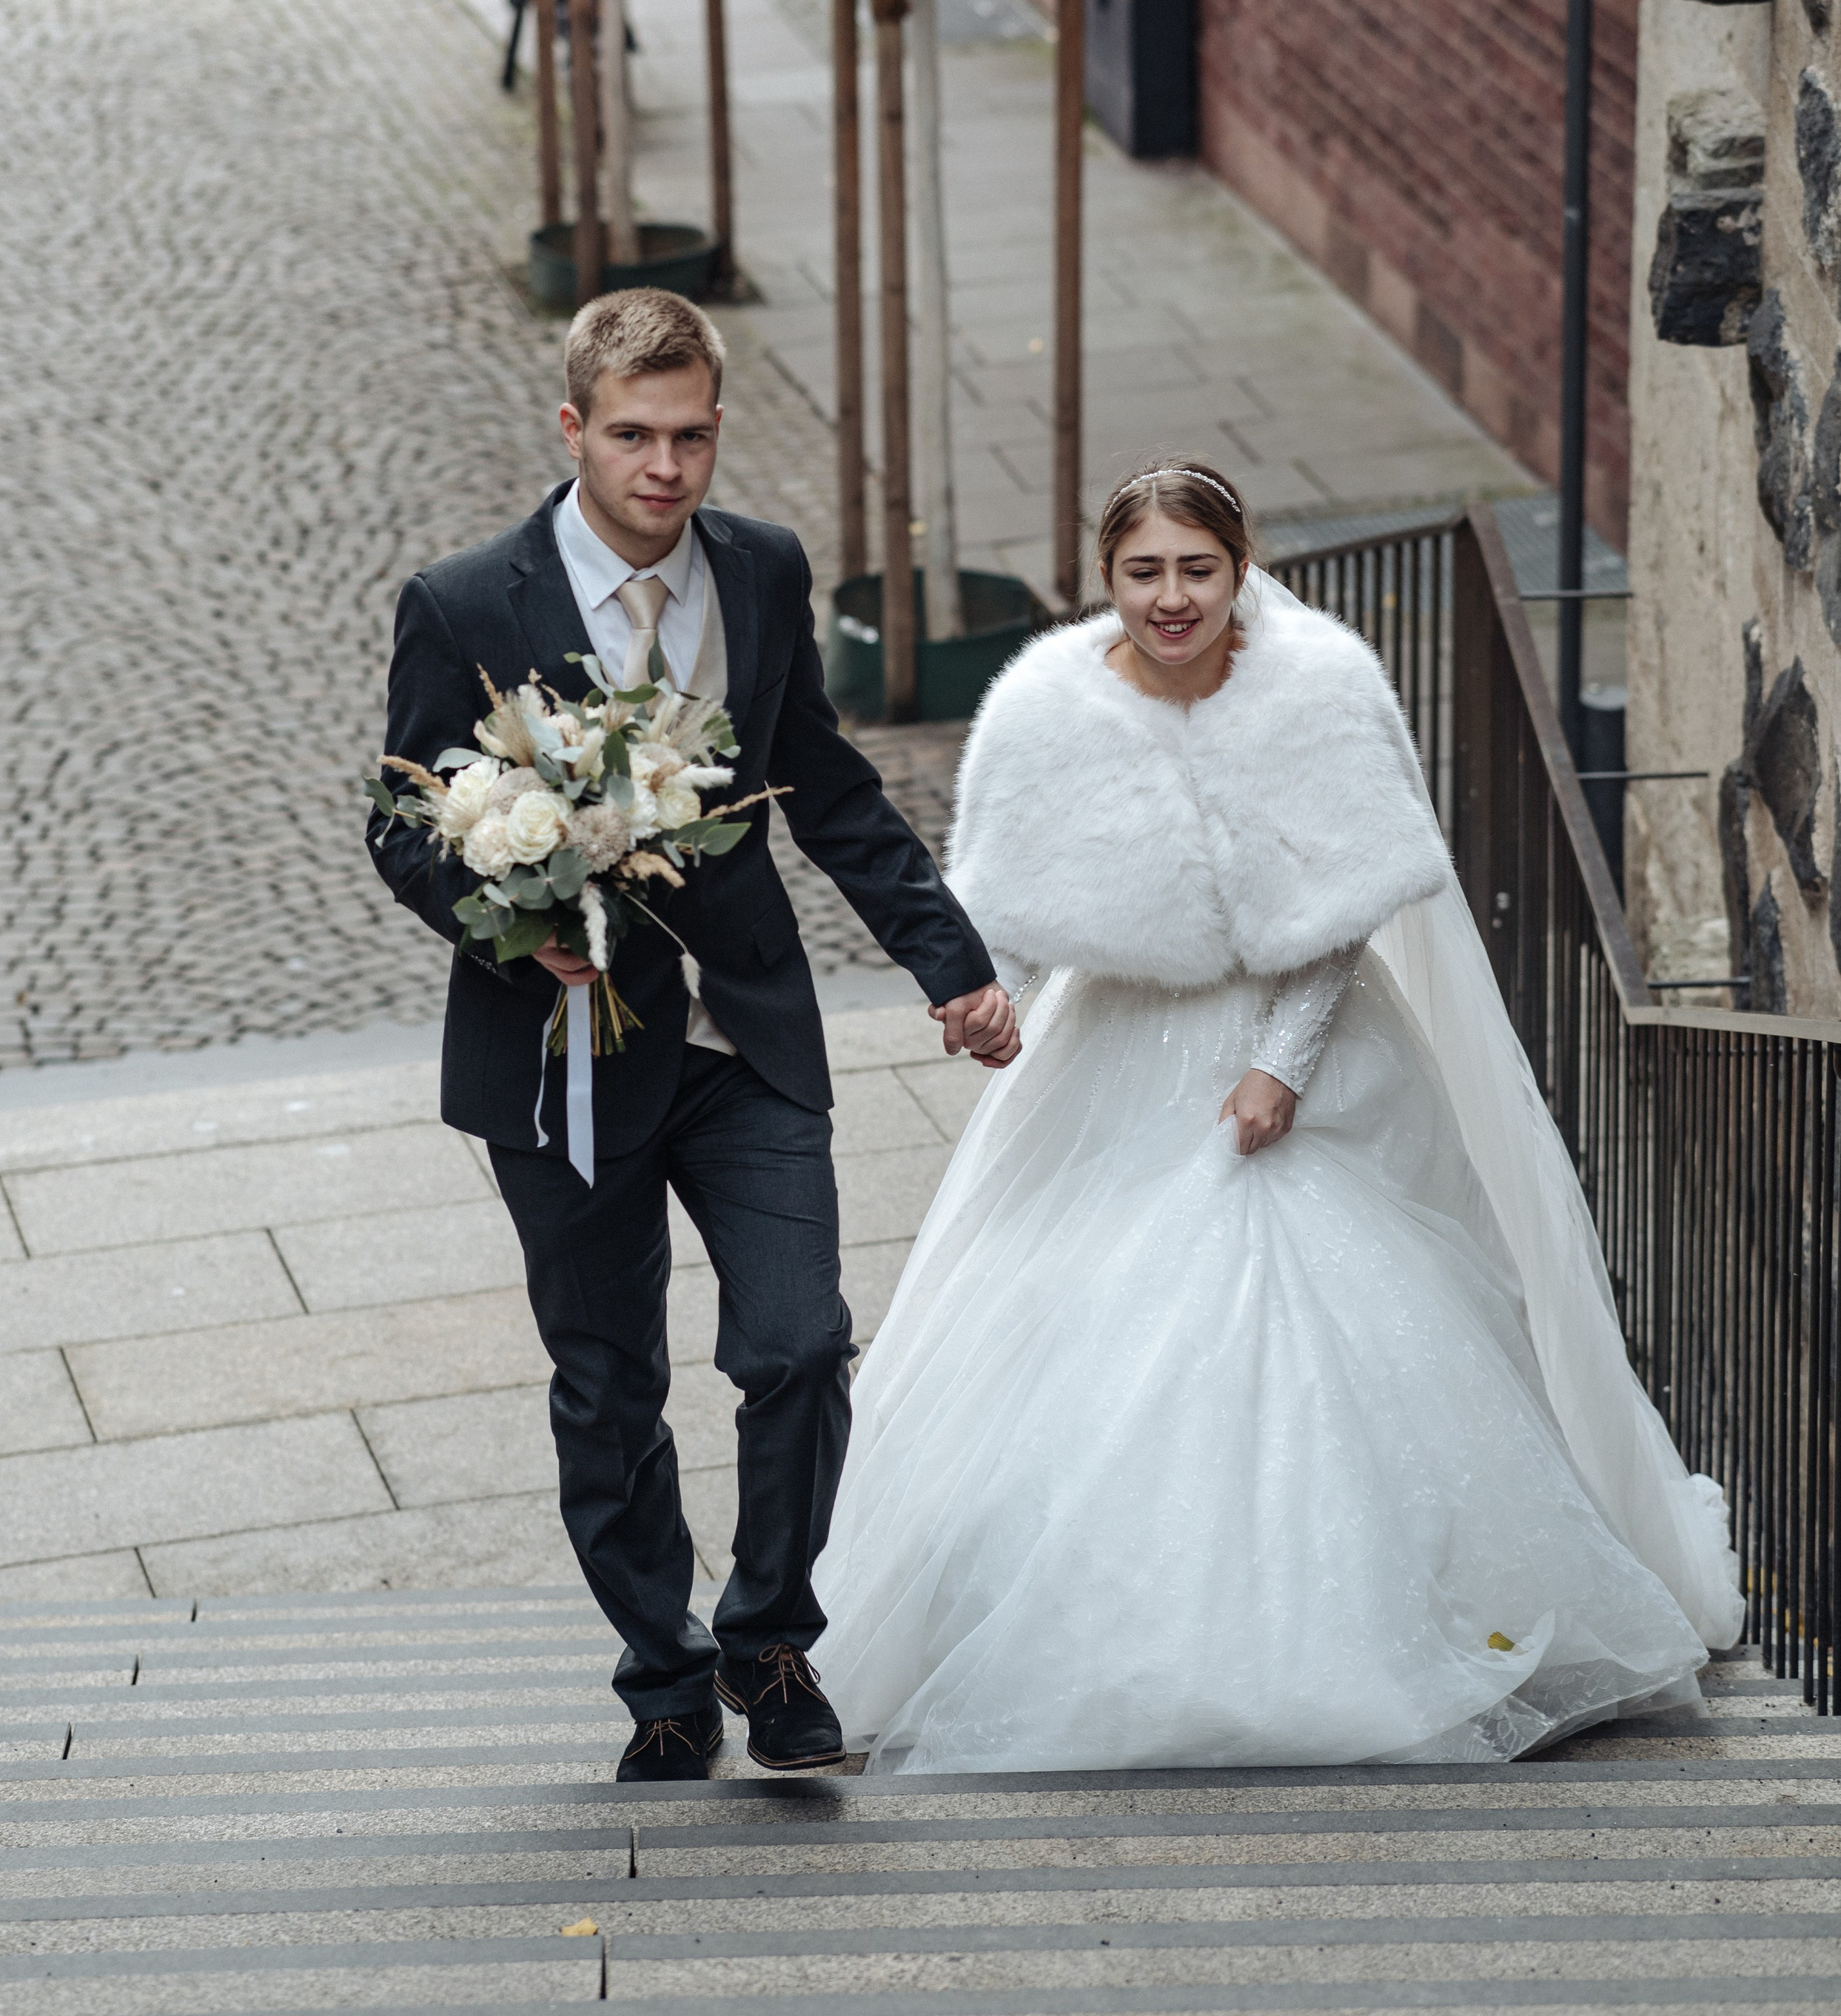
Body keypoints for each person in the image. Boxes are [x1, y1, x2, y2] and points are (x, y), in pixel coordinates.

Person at [815, 459, 1744, 1775]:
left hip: (1286, 1052)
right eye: (1145, 571)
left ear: (1238, 567)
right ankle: (1106, 1624)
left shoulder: (1314, 692)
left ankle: (1358, 1627)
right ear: (1106, 579)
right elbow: (1019, 903)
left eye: (1197, 567)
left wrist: (1280, 1068)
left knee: (1329, 1319)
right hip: (1114, 1052)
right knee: (1071, 1322)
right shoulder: (1044, 705)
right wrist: (992, 1002)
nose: (1172, 595)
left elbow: (1339, 906)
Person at [369, 290, 1019, 1783]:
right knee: (609, 1390)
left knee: (797, 1347)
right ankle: (660, 1674)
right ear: (574, 430)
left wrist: (950, 963)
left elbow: (825, 786)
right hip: (565, 1056)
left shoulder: (766, 575)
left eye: (690, 436)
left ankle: (770, 1641)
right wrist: (507, 914)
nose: (664, 466)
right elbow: (401, 823)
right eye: (633, 436)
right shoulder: (468, 603)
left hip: (745, 1039)